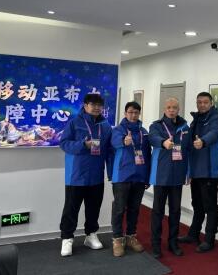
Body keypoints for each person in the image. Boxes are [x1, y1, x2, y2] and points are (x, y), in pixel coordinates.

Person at [59, 93, 112, 257]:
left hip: (96, 175)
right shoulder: (74, 122)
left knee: (93, 208)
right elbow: (64, 143)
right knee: (71, 209)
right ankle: (67, 238)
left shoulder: (105, 126)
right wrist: (83, 145)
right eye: (93, 104)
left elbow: (109, 151)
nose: (96, 108)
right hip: (76, 175)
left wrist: (111, 173)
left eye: (99, 105)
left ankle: (91, 235)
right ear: (85, 105)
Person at [178, 92, 218, 253]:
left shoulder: (216, 119)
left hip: (209, 171)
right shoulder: (196, 119)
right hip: (196, 170)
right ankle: (193, 234)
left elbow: (214, 134)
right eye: (199, 102)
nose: (202, 105)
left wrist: (203, 141)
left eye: (205, 102)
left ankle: (209, 239)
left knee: (210, 206)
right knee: (197, 204)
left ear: (211, 103)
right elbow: (187, 140)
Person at [148, 98, 191, 258]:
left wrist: (188, 172)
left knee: (175, 211)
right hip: (161, 174)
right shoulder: (156, 126)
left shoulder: (185, 127)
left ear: (178, 109)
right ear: (164, 109)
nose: (171, 110)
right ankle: (156, 244)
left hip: (177, 175)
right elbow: (152, 138)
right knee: (158, 211)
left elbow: (188, 151)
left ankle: (173, 242)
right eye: (168, 107)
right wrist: (163, 142)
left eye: (174, 107)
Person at [110, 101, 151, 257]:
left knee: (134, 208)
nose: (133, 115)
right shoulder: (118, 130)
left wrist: (147, 176)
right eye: (130, 112)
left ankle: (131, 236)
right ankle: (117, 239)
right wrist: (123, 141)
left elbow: (147, 155)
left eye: (136, 113)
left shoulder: (144, 132)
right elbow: (113, 143)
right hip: (122, 175)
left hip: (139, 176)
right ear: (125, 113)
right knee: (119, 208)